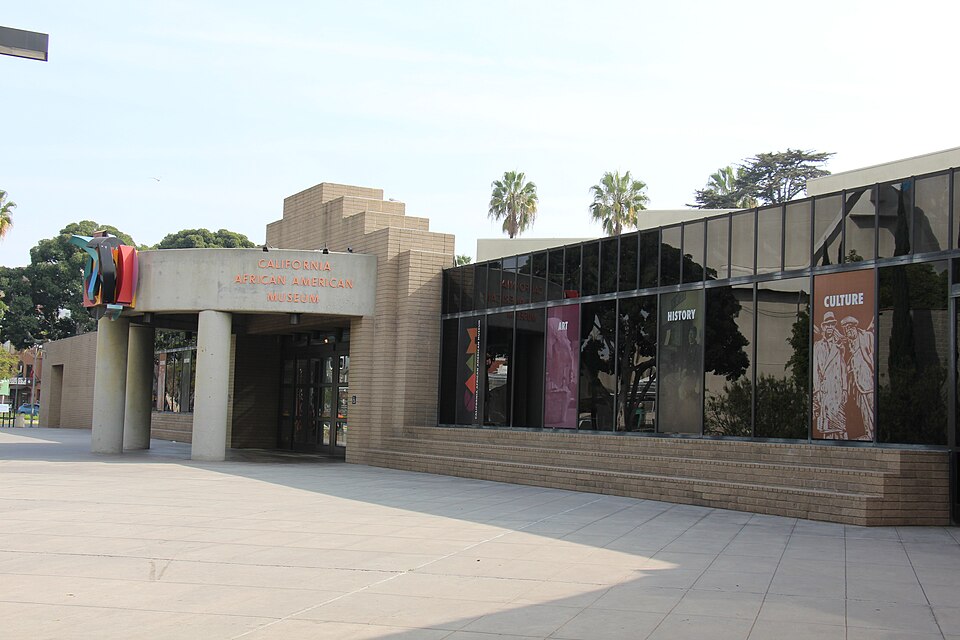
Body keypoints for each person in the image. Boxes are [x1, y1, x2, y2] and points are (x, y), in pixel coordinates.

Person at [813, 311, 848, 438]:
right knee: (827, 426)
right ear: (823, 327)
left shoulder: (839, 346)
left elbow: (843, 368)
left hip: (836, 389)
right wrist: (817, 391)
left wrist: (844, 389)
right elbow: (815, 370)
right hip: (825, 390)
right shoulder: (817, 346)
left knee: (839, 426)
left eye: (832, 325)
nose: (829, 327)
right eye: (827, 325)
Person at [841, 315, 875, 441]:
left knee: (872, 406)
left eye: (850, 327)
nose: (848, 331)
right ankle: (869, 433)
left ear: (855, 327)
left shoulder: (866, 336)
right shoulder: (850, 343)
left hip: (868, 381)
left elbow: (871, 355)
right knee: (865, 409)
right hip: (858, 383)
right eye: (846, 329)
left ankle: (873, 434)